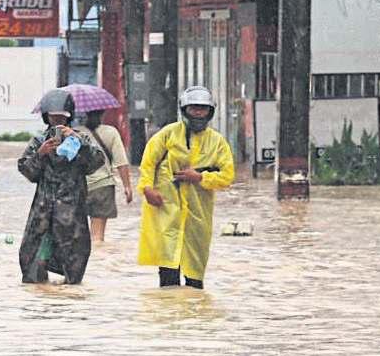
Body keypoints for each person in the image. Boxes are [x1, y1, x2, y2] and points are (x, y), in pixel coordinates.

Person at [138, 86, 235, 289]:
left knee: (195, 276)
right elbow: (148, 163)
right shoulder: (167, 135)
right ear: (184, 109)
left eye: (203, 109)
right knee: (168, 275)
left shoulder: (217, 143)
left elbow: (227, 176)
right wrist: (147, 189)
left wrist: (200, 177)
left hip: (198, 216)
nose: (198, 113)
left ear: (210, 112)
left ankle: (193, 316)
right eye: (194, 108)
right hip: (166, 211)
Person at [17, 89, 106, 285]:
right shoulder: (40, 141)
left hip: (72, 212)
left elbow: (96, 163)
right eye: (53, 117)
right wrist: (40, 154)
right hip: (42, 212)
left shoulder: (81, 139)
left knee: (74, 264)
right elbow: (27, 172)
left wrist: (79, 143)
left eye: (61, 118)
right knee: (32, 263)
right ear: (46, 117)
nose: (57, 122)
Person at [83, 109, 134, 243]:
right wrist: (127, 186)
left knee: (79, 237)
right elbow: (121, 162)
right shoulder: (111, 132)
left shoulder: (74, 132)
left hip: (78, 188)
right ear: (103, 113)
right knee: (97, 237)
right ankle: (100, 261)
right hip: (102, 187)